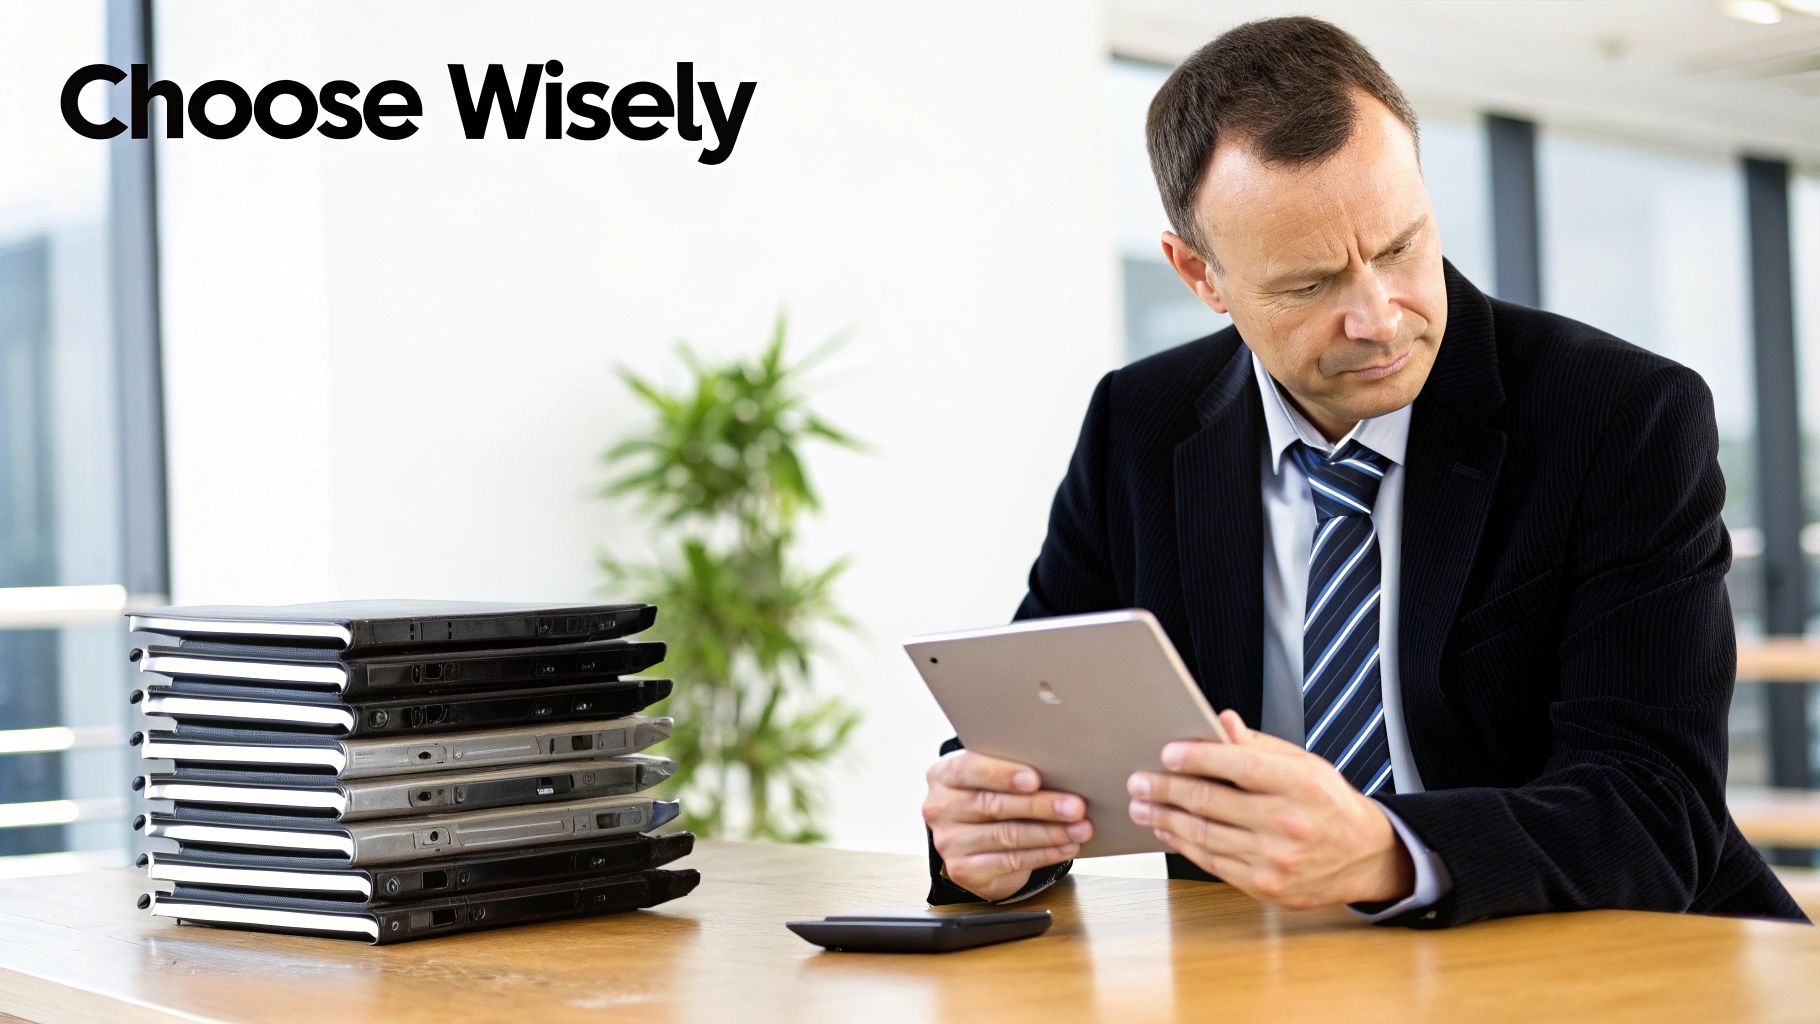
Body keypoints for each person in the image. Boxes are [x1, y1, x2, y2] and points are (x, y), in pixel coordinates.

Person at [920, 15, 1807, 927]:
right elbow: (1033, 724)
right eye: (1308, 286)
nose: (1379, 318)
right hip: (1273, 973)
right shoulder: (1138, 428)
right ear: (1201, 276)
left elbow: (1656, 811)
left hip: (1617, 958)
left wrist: (1386, 851)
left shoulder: (1620, 417)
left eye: (1398, 248)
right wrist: (987, 840)